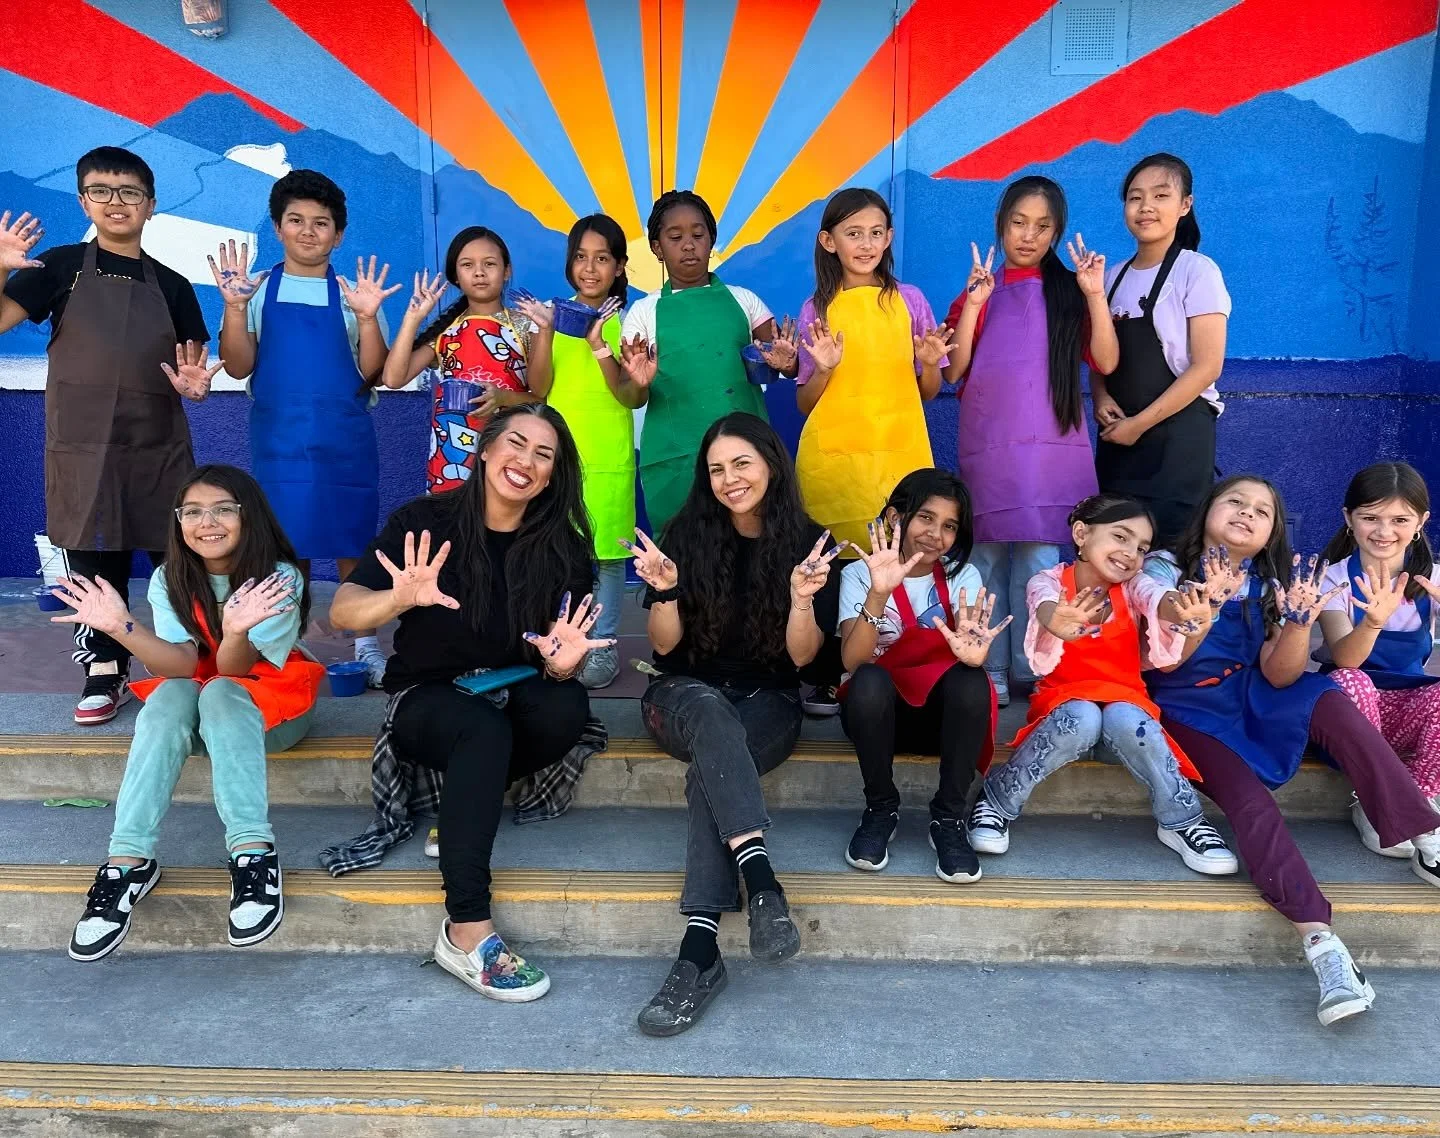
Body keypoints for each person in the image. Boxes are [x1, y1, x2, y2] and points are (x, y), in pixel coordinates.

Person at [328, 404, 609, 1003]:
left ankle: (460, 808)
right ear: (483, 450)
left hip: (509, 690)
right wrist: (399, 598)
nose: (525, 462)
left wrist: (565, 664)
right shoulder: (425, 522)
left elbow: (564, 651)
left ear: (554, 475)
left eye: (544, 455)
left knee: (566, 709)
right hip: (426, 696)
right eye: (515, 444)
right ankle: (466, 930)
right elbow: (342, 611)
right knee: (481, 730)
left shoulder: (563, 547)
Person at [1142, 475, 1440, 1025]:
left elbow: (1280, 677)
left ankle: (1421, 828)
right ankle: (1322, 944)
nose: (1247, 514)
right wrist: (1204, 608)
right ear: (1207, 508)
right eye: (1235, 501)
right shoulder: (1162, 570)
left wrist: (1298, 624)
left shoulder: (1273, 581)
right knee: (1249, 802)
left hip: (1254, 693)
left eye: (1262, 511)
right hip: (1190, 708)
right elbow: (1165, 663)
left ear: (1273, 531)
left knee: (1325, 696)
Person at [625, 413, 841, 1037]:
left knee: (710, 775)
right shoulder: (686, 535)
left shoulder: (810, 542)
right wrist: (665, 592)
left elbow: (802, 661)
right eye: (717, 469)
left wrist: (802, 600)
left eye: (741, 464)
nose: (728, 480)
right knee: (711, 716)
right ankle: (760, 879)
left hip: (767, 704)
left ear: (772, 463)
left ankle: (699, 952)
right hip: (682, 697)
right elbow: (666, 653)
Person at [55, 465, 322, 961]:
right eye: (193, 511)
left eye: (223, 508)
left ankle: (253, 855)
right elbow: (179, 664)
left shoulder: (278, 578)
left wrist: (237, 630)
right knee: (168, 697)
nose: (208, 521)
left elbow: (235, 671)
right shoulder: (170, 576)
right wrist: (120, 626)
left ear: (250, 516)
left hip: (271, 710)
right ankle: (127, 861)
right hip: (202, 696)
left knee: (220, 692)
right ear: (178, 522)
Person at [0, 148, 220, 726]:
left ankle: (203, 659)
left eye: (129, 193)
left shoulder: (172, 285)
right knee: (94, 549)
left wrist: (196, 390)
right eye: (101, 191)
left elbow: (193, 367)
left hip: (157, 444)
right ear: (83, 201)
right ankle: (104, 666)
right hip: (81, 441)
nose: (115, 202)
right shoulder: (57, 266)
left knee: (180, 555)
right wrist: (1, 268)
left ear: (151, 206)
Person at [966, 494, 1237, 874]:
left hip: (1125, 720)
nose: (1131, 554)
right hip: (1064, 711)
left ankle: (1182, 821)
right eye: (1121, 537)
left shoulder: (1134, 586)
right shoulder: (1048, 582)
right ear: (1081, 533)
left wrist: (1193, 609)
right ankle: (998, 799)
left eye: (1142, 548)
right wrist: (1054, 621)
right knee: (1081, 717)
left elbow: (1160, 598)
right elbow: (1044, 603)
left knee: (1129, 719)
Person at [211, 170, 397, 686]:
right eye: (296, 220)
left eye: (322, 223)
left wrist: (366, 318)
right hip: (279, 443)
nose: (308, 231)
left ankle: (365, 644)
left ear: (338, 235)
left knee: (352, 538)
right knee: (280, 546)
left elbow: (373, 371)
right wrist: (232, 307)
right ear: (278, 227)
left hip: (344, 441)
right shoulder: (257, 290)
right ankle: (283, 642)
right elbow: (240, 364)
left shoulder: (352, 292)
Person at [942, 176, 1111, 706]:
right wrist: (973, 304)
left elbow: (1105, 360)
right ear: (1000, 224)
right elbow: (954, 371)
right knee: (986, 560)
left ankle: (1033, 669)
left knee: (1040, 560)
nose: (1028, 236)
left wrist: (1095, 296)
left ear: (1057, 232)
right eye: (1018, 223)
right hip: (990, 446)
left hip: (1050, 449)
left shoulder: (1069, 293)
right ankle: (989, 667)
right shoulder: (980, 291)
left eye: (1042, 227)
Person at [837, 469, 1001, 881]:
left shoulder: (964, 577)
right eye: (926, 518)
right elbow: (853, 664)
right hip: (877, 719)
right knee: (870, 678)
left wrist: (973, 656)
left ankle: (948, 817)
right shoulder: (858, 574)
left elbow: (969, 665)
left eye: (949, 526)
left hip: (939, 721)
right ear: (895, 517)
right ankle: (880, 807)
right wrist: (879, 591)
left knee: (970, 679)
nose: (936, 534)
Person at [619, 190, 796, 534]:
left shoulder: (745, 301)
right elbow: (631, 397)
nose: (688, 245)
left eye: (698, 236)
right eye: (675, 237)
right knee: (683, 558)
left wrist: (787, 363)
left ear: (711, 241)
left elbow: (776, 365)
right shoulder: (644, 311)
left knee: (750, 547)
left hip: (745, 457)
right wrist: (639, 382)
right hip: (677, 460)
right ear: (657, 247)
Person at [794, 188, 952, 551]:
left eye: (876, 233)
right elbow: (805, 404)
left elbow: (927, 391)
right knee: (837, 565)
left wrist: (929, 364)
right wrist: (822, 370)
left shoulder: (910, 301)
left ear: (889, 238)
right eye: (854, 233)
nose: (866, 244)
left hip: (900, 453)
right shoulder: (815, 309)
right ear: (828, 241)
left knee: (900, 557)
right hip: (835, 466)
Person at [1092, 153, 1230, 546]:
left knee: (1169, 556)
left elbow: (1207, 367)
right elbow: (1098, 358)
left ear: (1185, 205)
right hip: (1118, 441)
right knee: (1111, 551)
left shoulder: (1198, 271)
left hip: (1178, 441)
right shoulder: (1110, 277)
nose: (1146, 207)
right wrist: (1100, 395)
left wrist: (1139, 425)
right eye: (1135, 198)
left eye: (1161, 196)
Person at [518, 214, 632, 689]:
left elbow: (631, 393)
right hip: (557, 459)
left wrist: (603, 346)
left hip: (609, 459)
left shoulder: (629, 323)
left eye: (602, 258)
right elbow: (538, 388)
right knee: (555, 551)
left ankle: (602, 646)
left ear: (621, 266)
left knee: (606, 559)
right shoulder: (549, 315)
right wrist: (543, 331)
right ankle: (558, 642)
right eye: (581, 257)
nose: (590, 268)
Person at [1316, 462, 1440, 852]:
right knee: (1350, 680)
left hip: (1402, 713)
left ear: (1421, 521)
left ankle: (1417, 800)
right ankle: (1374, 803)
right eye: (1370, 518)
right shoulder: (1331, 579)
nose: (1385, 532)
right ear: (1348, 519)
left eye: (1399, 519)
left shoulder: (1433, 580)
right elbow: (1346, 660)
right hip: (1346, 719)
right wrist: (1371, 622)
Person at [380, 226, 540, 495]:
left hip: (512, 456)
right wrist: (413, 319)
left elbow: (540, 397)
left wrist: (503, 398)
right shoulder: (446, 332)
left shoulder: (527, 326)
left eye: (489, 264)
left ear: (507, 270)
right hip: (450, 455)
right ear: (456, 275)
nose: (479, 272)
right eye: (467, 265)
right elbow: (393, 379)